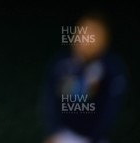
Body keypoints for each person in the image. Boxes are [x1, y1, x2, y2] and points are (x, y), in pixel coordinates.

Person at [41, 10, 128, 143]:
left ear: (104, 40)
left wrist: (94, 138)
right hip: (64, 134)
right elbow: (50, 100)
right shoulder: (61, 64)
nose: (85, 38)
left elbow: (110, 111)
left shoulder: (112, 69)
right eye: (81, 31)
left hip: (96, 138)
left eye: (93, 34)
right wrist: (53, 132)